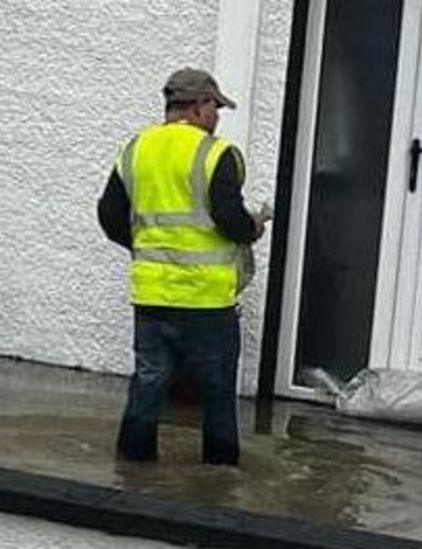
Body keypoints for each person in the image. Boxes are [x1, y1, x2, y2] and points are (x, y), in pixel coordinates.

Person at [97, 68, 270, 465]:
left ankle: (132, 468)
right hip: (206, 299)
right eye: (216, 107)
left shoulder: (136, 148)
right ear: (199, 105)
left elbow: (108, 214)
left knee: (148, 382)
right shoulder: (216, 154)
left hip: (152, 294)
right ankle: (219, 478)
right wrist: (254, 228)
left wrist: (145, 247)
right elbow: (230, 220)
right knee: (217, 390)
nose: (218, 116)